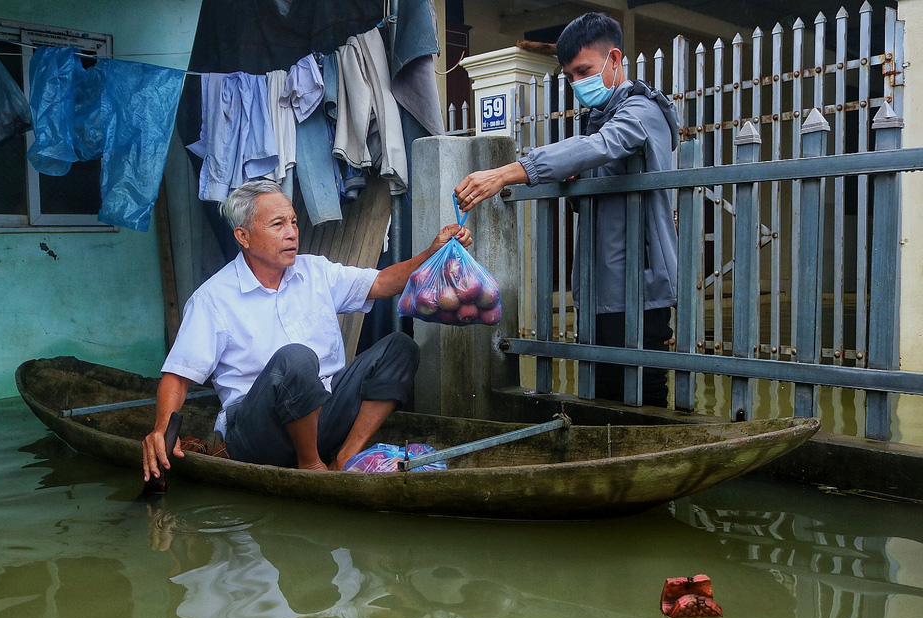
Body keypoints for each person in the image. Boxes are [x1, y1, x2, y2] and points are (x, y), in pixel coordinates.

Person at [142, 180, 471, 478]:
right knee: (296, 360)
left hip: (323, 415)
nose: (291, 232)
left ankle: (345, 456)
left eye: (294, 222)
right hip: (258, 434)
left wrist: (432, 253)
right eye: (278, 224)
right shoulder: (213, 298)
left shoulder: (316, 272)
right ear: (243, 236)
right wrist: (160, 430)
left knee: (400, 347)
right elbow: (178, 377)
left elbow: (383, 282)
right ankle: (312, 465)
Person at [454, 12, 679, 407]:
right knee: (603, 390)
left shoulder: (642, 111)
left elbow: (602, 147)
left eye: (584, 71)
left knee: (643, 391)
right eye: (570, 76)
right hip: (600, 283)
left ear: (615, 59)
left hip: (639, 284)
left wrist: (511, 171)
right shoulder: (599, 118)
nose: (577, 84)